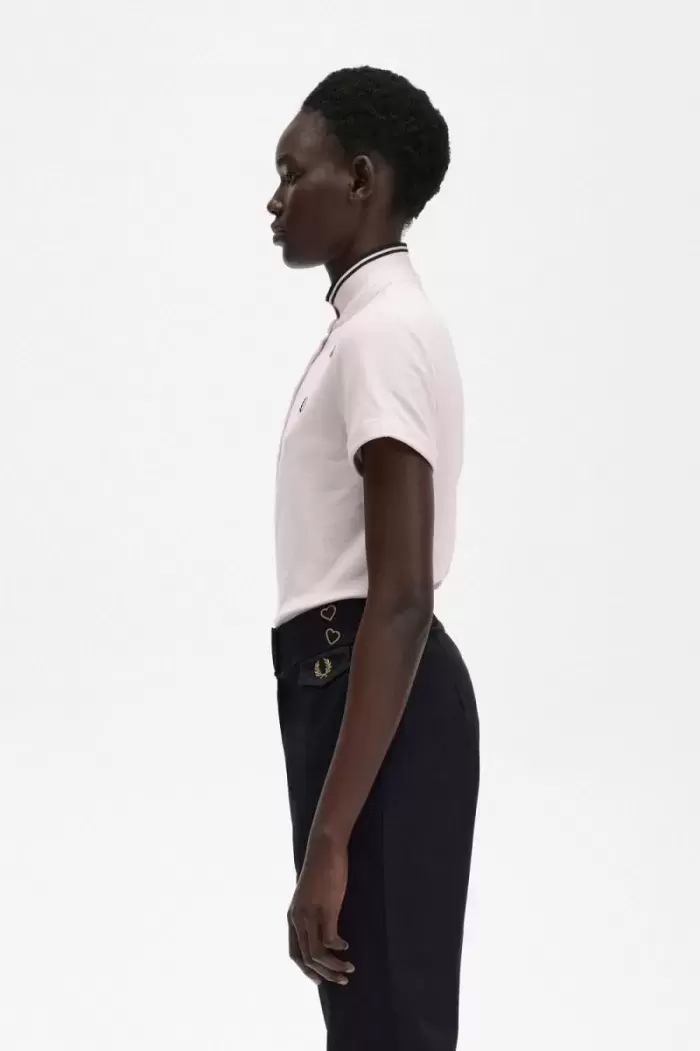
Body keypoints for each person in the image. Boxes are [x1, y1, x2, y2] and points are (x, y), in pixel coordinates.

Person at [267, 65, 480, 1051]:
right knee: (374, 1027)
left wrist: (330, 836)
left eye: (292, 172)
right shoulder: (365, 327)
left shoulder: (384, 333)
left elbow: (400, 595)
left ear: (360, 178)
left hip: (373, 682)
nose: (274, 199)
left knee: (389, 1029)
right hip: (352, 687)